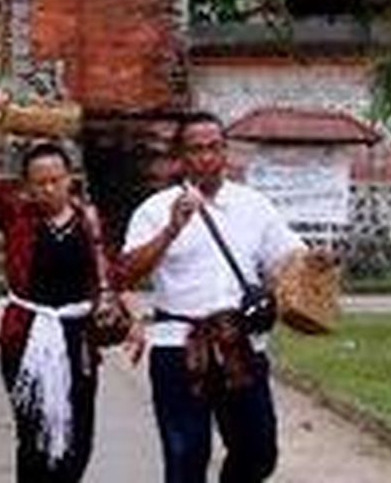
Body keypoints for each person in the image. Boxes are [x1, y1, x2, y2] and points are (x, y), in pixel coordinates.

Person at [120, 112, 319, 483]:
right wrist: (171, 229)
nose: (207, 157)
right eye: (196, 150)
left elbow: (289, 257)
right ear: (180, 157)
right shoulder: (154, 209)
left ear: (225, 152)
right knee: (186, 457)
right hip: (179, 347)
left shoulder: (254, 205)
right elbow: (127, 272)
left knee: (259, 452)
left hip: (239, 344)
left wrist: (314, 262)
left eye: (214, 147)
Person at [0, 88, 144, 483]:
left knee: (79, 437)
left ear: (70, 180)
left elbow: (112, 274)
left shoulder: (89, 222)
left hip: (77, 337)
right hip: (26, 334)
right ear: (26, 185)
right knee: (33, 437)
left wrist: (136, 318)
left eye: (55, 180)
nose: (47, 188)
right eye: (38, 182)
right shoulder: (17, 215)